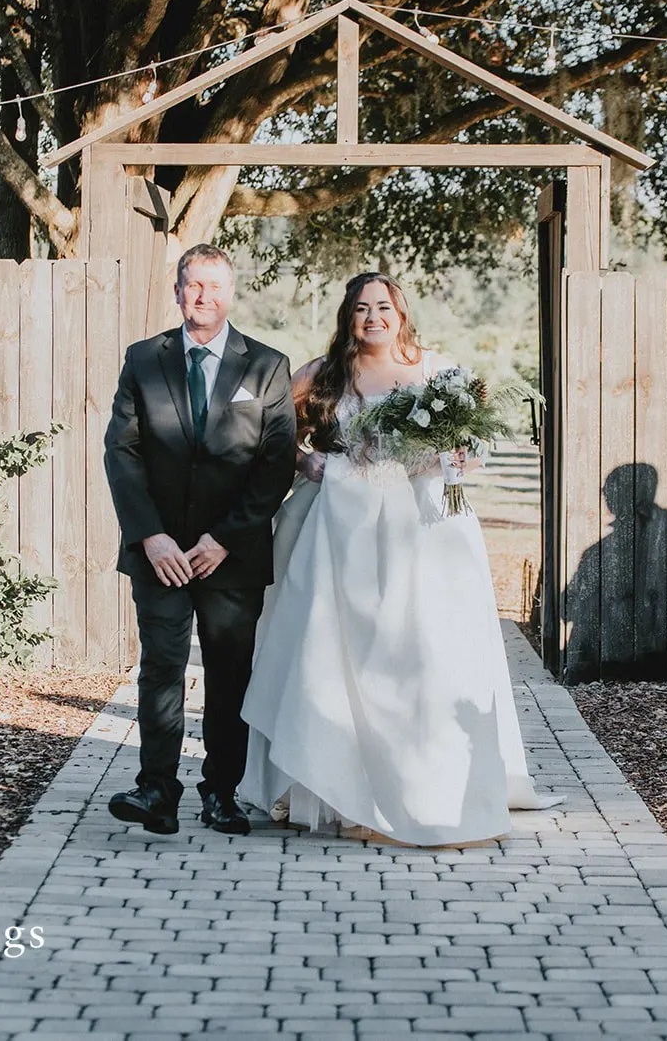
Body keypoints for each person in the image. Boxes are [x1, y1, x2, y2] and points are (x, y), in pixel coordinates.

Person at [239, 272, 558, 847]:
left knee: (425, 649)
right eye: (361, 308)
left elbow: (475, 448)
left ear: (401, 312)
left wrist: (458, 455)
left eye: (382, 307)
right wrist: (303, 462)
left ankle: (427, 779)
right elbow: (267, 425)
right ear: (348, 316)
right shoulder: (325, 372)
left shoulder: (439, 371)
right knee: (335, 652)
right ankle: (334, 781)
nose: (372, 318)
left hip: (425, 526)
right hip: (341, 527)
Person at [103, 244, 297, 836]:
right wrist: (151, 537)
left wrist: (225, 539)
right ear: (177, 291)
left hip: (230, 557)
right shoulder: (143, 359)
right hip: (159, 553)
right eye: (192, 285)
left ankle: (222, 792)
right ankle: (156, 789)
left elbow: (276, 463)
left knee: (228, 672)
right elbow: (122, 451)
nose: (202, 297)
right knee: (161, 666)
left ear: (230, 293)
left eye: (213, 286)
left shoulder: (266, 366)